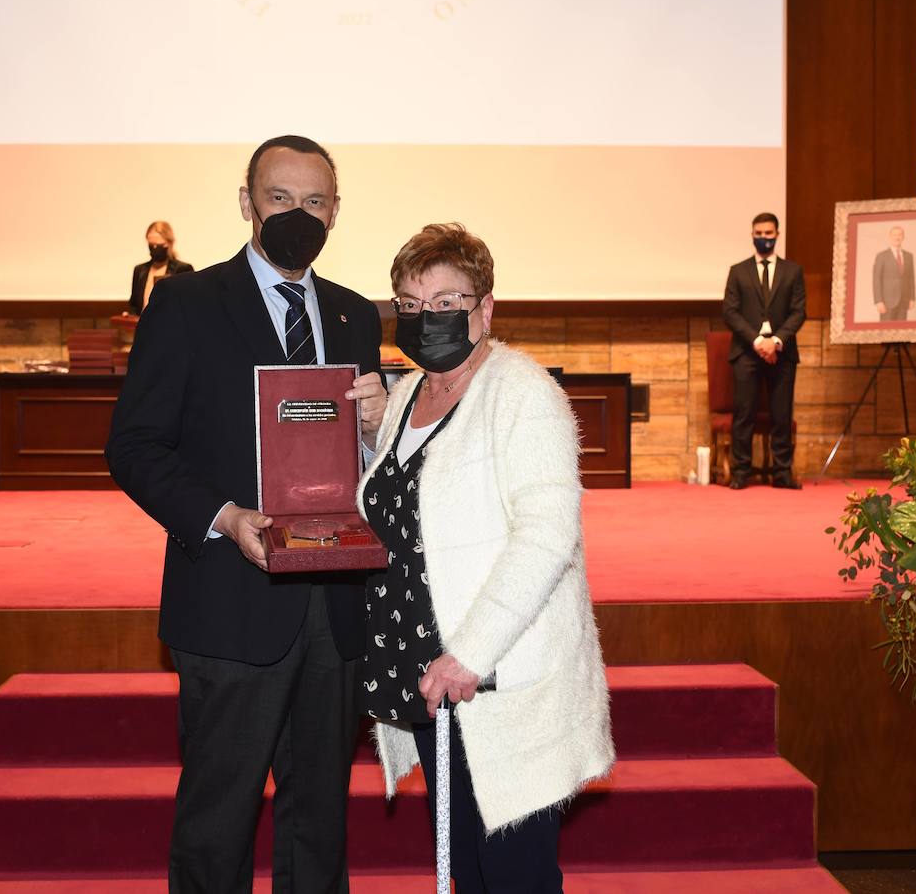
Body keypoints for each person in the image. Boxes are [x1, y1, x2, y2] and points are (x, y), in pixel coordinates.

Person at [105, 135, 387, 893]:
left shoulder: (356, 315)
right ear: (246, 203)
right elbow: (134, 445)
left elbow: (376, 469)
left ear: (337, 211)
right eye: (280, 198)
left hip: (335, 609)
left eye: (316, 201)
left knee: (320, 822)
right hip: (229, 603)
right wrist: (225, 516)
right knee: (217, 820)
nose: (299, 213)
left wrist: (379, 430)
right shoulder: (189, 306)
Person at [360, 223, 613, 894]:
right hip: (431, 679)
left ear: (485, 308)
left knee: (515, 876)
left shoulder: (522, 393)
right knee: (463, 871)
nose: (427, 318)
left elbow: (547, 535)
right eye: (411, 305)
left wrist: (469, 653)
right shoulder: (409, 393)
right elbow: (409, 503)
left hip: (498, 681)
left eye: (446, 301)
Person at [721, 212, 807, 490]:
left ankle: (782, 473)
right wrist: (758, 342)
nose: (764, 238)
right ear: (752, 234)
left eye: (768, 234)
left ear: (777, 235)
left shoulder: (793, 271)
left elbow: (798, 312)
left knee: (781, 414)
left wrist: (776, 341)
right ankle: (740, 472)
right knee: (744, 413)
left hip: (782, 352)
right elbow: (730, 312)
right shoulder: (738, 271)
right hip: (747, 352)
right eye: (759, 233)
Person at [126, 220, 194, 316]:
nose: (154, 248)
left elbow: (187, 304)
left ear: (169, 243)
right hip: (143, 326)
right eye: (151, 245)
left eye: (158, 245)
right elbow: (134, 304)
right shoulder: (140, 270)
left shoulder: (183, 269)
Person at [872, 225, 915, 321]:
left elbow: (911, 278)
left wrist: (912, 298)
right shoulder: (881, 256)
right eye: (894, 235)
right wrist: (878, 301)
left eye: (900, 235)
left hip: (904, 301)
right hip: (887, 302)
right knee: (885, 332)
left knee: (902, 333)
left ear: (903, 237)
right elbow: (876, 279)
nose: (897, 237)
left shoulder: (909, 256)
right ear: (890, 237)